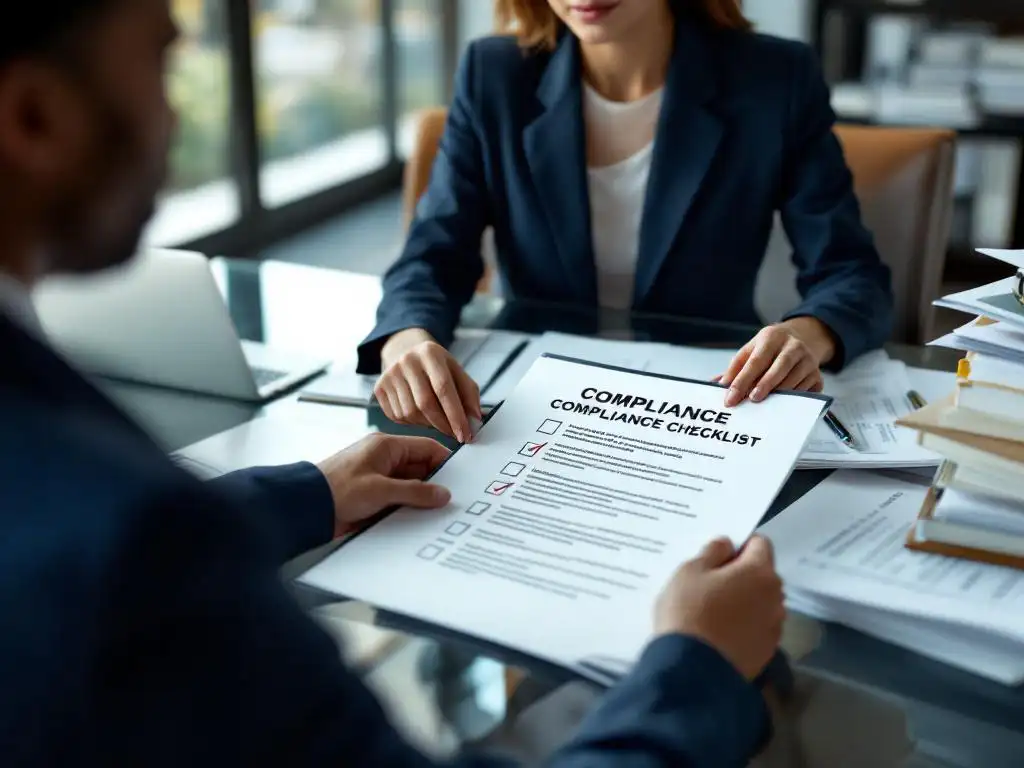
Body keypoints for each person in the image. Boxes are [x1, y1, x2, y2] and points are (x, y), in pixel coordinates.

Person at [0, 1, 787, 764]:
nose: (176, 118)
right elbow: (432, 255)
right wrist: (698, 672)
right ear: (32, 116)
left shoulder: (108, 509)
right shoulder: (143, 541)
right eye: (162, 57)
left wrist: (305, 493)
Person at [361, 0, 893, 444]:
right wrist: (406, 339)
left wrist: (806, 334)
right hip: (530, 407)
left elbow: (851, 273)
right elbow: (431, 256)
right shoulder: (494, 73)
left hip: (709, 401)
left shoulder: (775, 78)